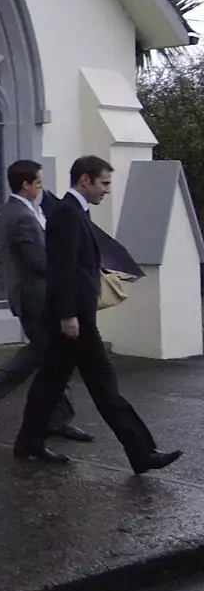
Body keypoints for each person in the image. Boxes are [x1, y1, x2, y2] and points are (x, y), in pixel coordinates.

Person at [13, 156, 183, 473]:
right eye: (104, 183)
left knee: (50, 383)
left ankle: (29, 442)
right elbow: (62, 268)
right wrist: (68, 316)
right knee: (105, 386)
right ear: (85, 180)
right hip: (74, 318)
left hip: (71, 315)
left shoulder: (73, 212)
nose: (107, 190)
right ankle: (142, 453)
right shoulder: (67, 214)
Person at [0, 160, 89, 441]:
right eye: (38, 182)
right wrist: (72, 268)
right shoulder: (21, 215)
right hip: (37, 296)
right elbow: (39, 261)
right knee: (55, 353)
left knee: (46, 353)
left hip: (36, 294)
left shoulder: (24, 210)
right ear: (26, 184)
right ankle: (56, 418)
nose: (41, 187)